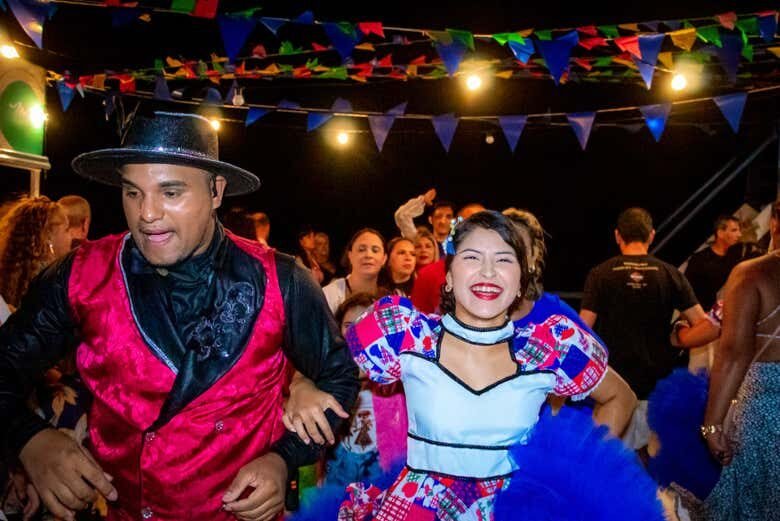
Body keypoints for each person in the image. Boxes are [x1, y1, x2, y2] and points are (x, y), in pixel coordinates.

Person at [0, 111, 359, 521]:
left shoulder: (281, 280)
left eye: (170, 193)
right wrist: (29, 439)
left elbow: (340, 377)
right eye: (133, 193)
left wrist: (283, 458)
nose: (147, 213)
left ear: (216, 191)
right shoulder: (81, 275)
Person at [330, 211, 637, 519]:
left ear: (520, 282)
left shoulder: (548, 348)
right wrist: (303, 387)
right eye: (473, 258)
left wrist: (574, 471)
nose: (488, 272)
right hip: (420, 510)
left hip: (513, 509)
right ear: (449, 278)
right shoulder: (407, 335)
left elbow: (619, 397)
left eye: (504, 260)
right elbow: (326, 367)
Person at [580, 207, 708, 450]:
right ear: (651, 235)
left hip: (614, 390)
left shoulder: (601, 274)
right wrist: (679, 335)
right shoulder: (670, 273)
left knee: (611, 460)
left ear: (618, 236)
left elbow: (583, 329)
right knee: (654, 467)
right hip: (657, 386)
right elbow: (702, 324)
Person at [695, 199, 780, 520]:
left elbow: (733, 354)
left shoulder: (753, 274)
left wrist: (712, 425)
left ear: (774, 223)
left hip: (764, 417)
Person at [0, 197, 72, 310]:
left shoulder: (10, 276)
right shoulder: (52, 284)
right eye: (66, 230)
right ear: (48, 236)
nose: (71, 237)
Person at [684, 215, 742, 311]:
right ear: (720, 233)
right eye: (734, 230)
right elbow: (686, 293)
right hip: (707, 315)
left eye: (739, 230)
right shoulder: (699, 260)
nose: (739, 234)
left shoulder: (737, 254)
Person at [322, 229, 386, 314]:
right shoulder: (329, 295)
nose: (368, 255)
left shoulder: (389, 297)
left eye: (375, 250)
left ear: (384, 259)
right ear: (350, 255)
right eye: (361, 250)